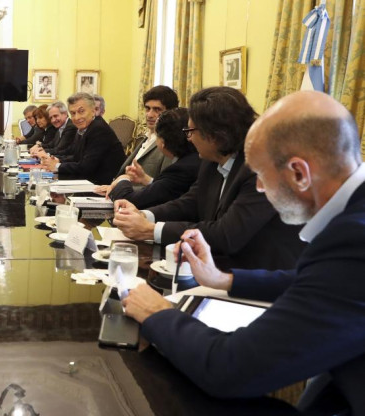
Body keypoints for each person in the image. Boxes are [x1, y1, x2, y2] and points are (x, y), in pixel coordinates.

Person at [123, 90, 365, 414]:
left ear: (298, 173)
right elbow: (311, 281)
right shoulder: (352, 222)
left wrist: (157, 314)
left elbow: (229, 367)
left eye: (262, 176)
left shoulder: (354, 238)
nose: (260, 189)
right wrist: (224, 280)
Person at [113, 87, 306, 270]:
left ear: (215, 135)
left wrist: (151, 230)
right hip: (218, 267)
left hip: (260, 278)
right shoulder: (211, 159)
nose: (188, 139)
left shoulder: (262, 168)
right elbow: (192, 201)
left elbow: (227, 234)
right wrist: (144, 215)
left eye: (191, 131)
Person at [99, 108, 200, 209]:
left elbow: (128, 200)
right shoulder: (190, 160)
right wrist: (147, 180)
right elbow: (167, 189)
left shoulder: (181, 169)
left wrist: (124, 179)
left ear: (163, 142)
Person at [41, 92, 124, 185]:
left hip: (103, 185)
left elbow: (86, 167)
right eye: (73, 113)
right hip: (89, 180)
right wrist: (57, 160)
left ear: (93, 111)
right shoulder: (83, 128)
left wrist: (57, 166)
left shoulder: (98, 129)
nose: (76, 117)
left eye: (81, 111)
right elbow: (76, 156)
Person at [114, 86, 178, 183]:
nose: (149, 115)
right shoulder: (146, 138)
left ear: (170, 112)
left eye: (157, 110)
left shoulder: (171, 144)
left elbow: (165, 187)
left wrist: (120, 188)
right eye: (147, 109)